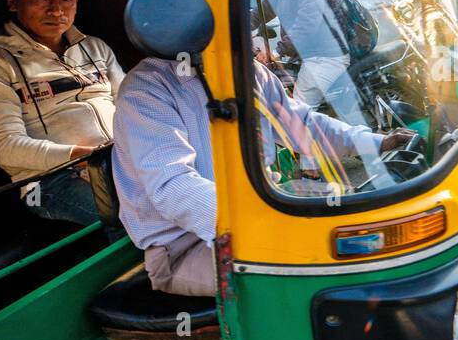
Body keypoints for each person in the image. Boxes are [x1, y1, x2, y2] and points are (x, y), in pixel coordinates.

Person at [112, 57, 415, 296]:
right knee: (324, 262)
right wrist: (268, 223)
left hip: (264, 204)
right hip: (185, 248)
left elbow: (300, 123)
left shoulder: (246, 70)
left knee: (362, 220)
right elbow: (174, 187)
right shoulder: (148, 88)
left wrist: (376, 142)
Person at [0, 0, 123, 225]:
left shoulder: (94, 47)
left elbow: (130, 106)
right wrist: (86, 158)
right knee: (136, 218)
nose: (57, 10)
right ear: (13, 0)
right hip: (51, 180)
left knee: (184, 196)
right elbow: (4, 145)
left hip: (118, 159)